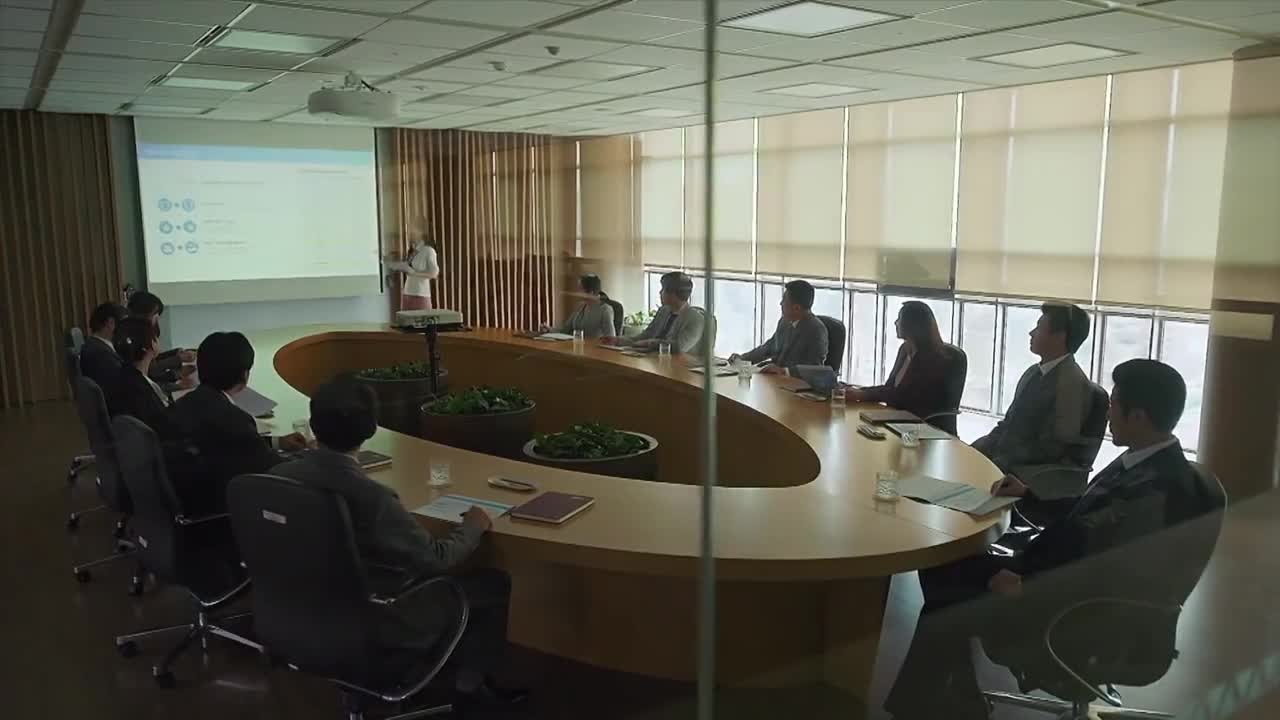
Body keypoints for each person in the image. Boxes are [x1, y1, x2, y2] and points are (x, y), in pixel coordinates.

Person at [885, 360, 1218, 720]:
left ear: (1138, 417)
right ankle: (955, 695)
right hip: (1061, 579)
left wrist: (1025, 582)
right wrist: (1028, 496)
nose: (1108, 414)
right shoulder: (1149, 463)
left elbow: (1107, 568)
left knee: (946, 595)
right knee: (945, 568)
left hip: (1079, 614)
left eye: (1113, 405)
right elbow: (1086, 515)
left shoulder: (1159, 491)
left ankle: (924, 705)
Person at [273, 379, 526, 708]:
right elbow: (437, 558)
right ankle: (471, 693)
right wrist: (473, 525)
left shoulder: (279, 475)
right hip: (376, 618)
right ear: (371, 428)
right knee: (492, 584)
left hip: (297, 614)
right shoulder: (372, 498)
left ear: (313, 422)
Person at [163, 331, 301, 514]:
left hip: (187, 503)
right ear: (244, 375)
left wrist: (277, 442)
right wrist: (309, 457)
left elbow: (223, 446)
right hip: (220, 513)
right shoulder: (234, 420)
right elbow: (273, 469)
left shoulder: (182, 404)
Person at [972, 303, 1094, 472]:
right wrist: (978, 449)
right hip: (1001, 460)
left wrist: (998, 462)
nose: (1032, 333)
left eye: (1039, 327)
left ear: (1059, 337)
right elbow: (1009, 424)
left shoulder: (1073, 385)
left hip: (1022, 474)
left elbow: (1051, 449)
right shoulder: (1033, 372)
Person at [845, 301, 961, 433]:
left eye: (899, 319)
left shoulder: (935, 359)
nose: (895, 323)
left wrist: (863, 394)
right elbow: (890, 388)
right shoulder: (905, 350)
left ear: (912, 325)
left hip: (922, 427)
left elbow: (904, 396)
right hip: (898, 420)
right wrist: (859, 391)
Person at [730, 280, 828, 375]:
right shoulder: (784, 321)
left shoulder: (816, 330)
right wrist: (742, 359)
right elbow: (769, 347)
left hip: (794, 383)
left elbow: (815, 369)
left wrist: (785, 371)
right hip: (774, 379)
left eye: (784, 300)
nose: (780, 303)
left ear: (797, 308)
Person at [601, 271, 707, 354]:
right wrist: (618, 340)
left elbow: (680, 347)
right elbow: (646, 335)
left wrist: (650, 343)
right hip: (652, 360)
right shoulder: (663, 311)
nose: (660, 293)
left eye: (663, 289)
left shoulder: (696, 319)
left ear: (673, 294)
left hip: (677, 367)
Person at [105, 316, 171, 432]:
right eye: (155, 336)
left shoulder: (125, 375)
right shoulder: (137, 388)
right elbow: (164, 424)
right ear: (150, 344)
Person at [126, 290, 194, 384]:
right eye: (154, 314)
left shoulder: (145, 329)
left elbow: (152, 359)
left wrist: (175, 353)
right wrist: (177, 363)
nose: (157, 318)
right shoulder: (132, 336)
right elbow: (149, 369)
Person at [549, 274, 616, 339]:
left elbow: (611, 338)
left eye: (580, 289)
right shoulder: (580, 306)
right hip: (576, 345)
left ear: (590, 292)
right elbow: (565, 330)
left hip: (594, 346)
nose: (577, 291)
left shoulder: (605, 310)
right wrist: (550, 329)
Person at [78, 302, 128, 390]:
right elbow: (123, 383)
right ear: (110, 323)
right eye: (124, 324)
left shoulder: (94, 345)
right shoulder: (100, 353)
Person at [386, 234, 439, 311]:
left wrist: (414, 273)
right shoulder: (413, 251)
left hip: (420, 295)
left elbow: (434, 273)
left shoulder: (429, 250)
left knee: (422, 318)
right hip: (407, 293)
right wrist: (393, 265)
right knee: (404, 318)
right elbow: (407, 266)